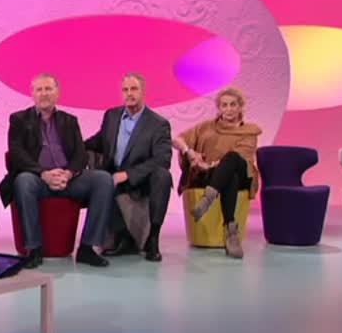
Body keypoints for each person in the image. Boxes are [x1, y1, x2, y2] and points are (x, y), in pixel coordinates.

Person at [0, 73, 113, 268]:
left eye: (48, 89)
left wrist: (68, 173)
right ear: (32, 94)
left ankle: (87, 248)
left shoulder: (70, 120)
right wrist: (43, 173)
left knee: (103, 179)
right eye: (39, 89)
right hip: (37, 179)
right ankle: (33, 249)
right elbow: (17, 153)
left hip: (68, 179)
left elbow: (80, 154)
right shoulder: (19, 119)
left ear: (57, 93)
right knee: (23, 181)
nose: (44, 93)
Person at [84, 72, 172, 262]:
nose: (129, 93)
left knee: (163, 175)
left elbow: (162, 159)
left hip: (141, 179)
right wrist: (72, 148)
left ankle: (153, 239)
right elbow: (99, 141)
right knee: (101, 180)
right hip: (113, 176)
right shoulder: (112, 115)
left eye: (134, 89)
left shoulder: (158, 124)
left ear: (143, 92)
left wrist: (129, 174)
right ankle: (123, 237)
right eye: (125, 90)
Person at [173, 86, 262, 258]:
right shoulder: (206, 127)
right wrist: (189, 152)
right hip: (212, 176)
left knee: (232, 158)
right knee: (230, 179)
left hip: (242, 174)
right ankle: (231, 233)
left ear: (240, 107)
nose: (228, 109)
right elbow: (177, 139)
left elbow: (244, 157)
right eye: (224, 105)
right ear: (219, 108)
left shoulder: (249, 131)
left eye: (233, 105)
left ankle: (207, 199)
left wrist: (211, 166)